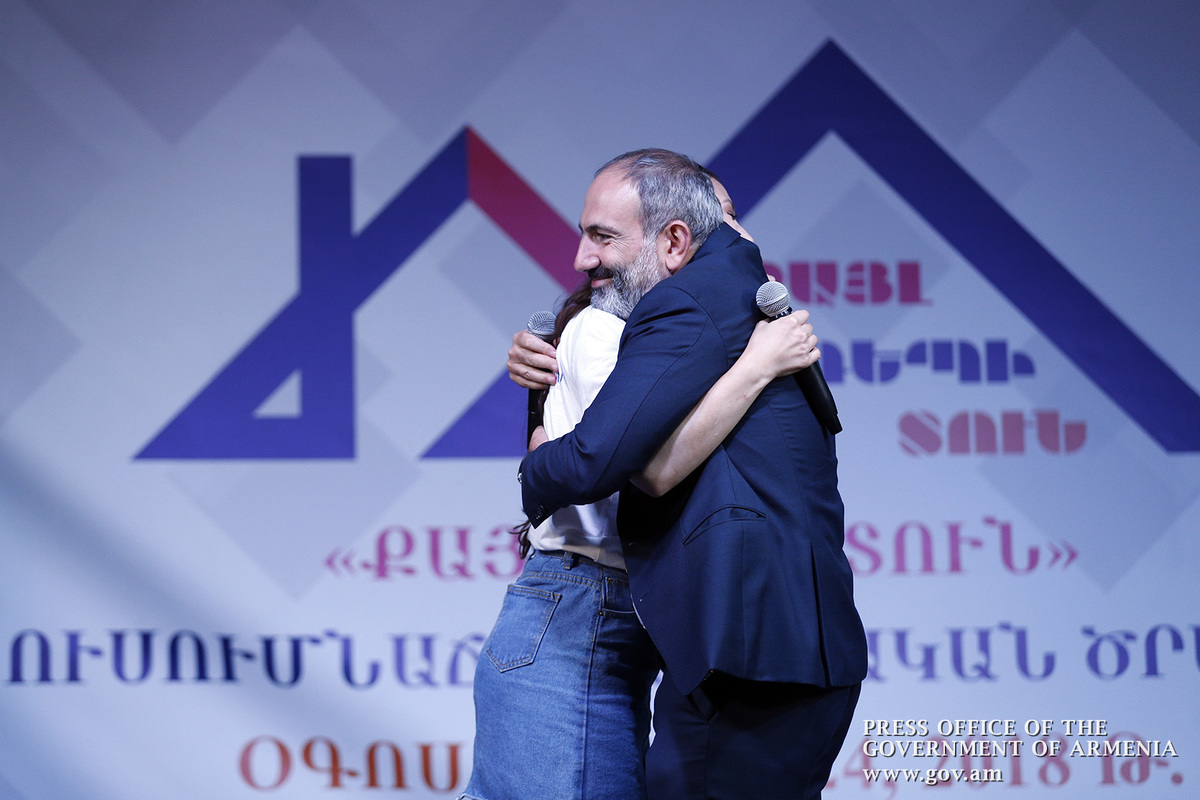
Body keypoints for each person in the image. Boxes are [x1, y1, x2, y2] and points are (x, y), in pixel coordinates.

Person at [517, 149, 868, 800]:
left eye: (602, 237)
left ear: (676, 240)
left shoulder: (683, 304)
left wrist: (535, 460)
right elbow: (654, 468)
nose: (582, 257)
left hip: (750, 653)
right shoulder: (735, 284)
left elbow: (597, 460)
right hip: (781, 647)